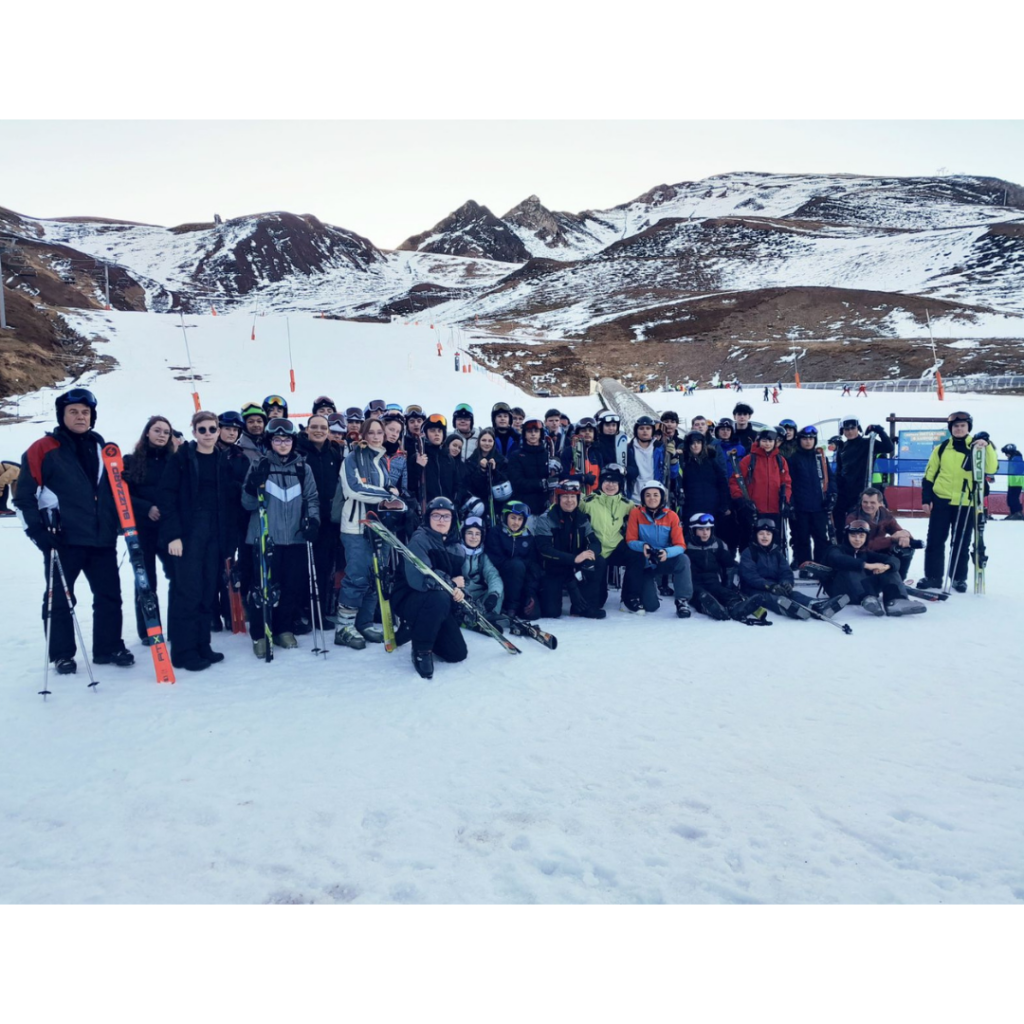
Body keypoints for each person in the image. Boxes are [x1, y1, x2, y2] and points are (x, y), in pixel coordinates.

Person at [14, 387, 135, 674]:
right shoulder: (43, 449)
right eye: (74, 412)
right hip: (63, 539)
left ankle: (108, 647)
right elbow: (23, 497)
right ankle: (62, 654)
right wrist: (37, 532)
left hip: (101, 538)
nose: (81, 417)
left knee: (109, 596)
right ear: (62, 415)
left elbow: (112, 491)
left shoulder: (102, 446)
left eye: (85, 412)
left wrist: (118, 522)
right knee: (60, 599)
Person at [158, 411, 237, 671]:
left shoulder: (222, 460)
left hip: (213, 535)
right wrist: (173, 536)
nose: (207, 434)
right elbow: (167, 498)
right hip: (188, 536)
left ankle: (203, 644)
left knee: (206, 593)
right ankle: (183, 652)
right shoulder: (181, 459)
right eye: (201, 430)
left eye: (211, 429)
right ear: (193, 432)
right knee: (187, 593)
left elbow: (228, 500)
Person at [240, 418, 319, 655]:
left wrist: (313, 521)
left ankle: (284, 629)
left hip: (294, 538)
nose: (282, 444)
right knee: (262, 587)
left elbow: (312, 498)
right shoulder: (259, 466)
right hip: (266, 537)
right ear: (270, 441)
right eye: (277, 439)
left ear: (293, 441)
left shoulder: (303, 468)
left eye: (286, 439)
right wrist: (252, 488)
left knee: (291, 586)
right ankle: (260, 634)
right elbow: (247, 504)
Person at [332, 417, 398, 649]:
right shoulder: (352, 458)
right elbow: (354, 489)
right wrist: (387, 494)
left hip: (378, 526)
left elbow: (386, 487)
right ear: (363, 434)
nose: (377, 436)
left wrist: (391, 490)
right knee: (358, 575)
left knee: (374, 576)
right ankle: (344, 626)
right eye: (371, 432)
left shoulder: (381, 459)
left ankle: (364, 622)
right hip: (355, 525)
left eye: (380, 432)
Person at [390, 496, 469, 679]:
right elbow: (421, 579)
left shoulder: (457, 547)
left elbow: (463, 579)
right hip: (410, 598)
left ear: (453, 519)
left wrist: (460, 591)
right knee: (439, 596)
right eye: (436, 515)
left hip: (438, 605)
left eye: (446, 516)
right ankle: (421, 650)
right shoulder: (420, 540)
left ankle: (418, 629)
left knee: (457, 653)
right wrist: (452, 584)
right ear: (428, 518)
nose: (441, 520)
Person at [918, 411, 997, 591]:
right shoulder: (942, 448)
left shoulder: (978, 446)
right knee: (935, 540)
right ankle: (933, 576)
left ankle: (958, 578)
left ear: (968, 427)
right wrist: (926, 498)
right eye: (955, 426)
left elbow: (991, 467)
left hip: (967, 501)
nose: (959, 429)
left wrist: (988, 445)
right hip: (942, 500)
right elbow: (929, 475)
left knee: (961, 541)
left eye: (963, 426)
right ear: (950, 429)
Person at [122, 415, 176, 643]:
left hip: (168, 528)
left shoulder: (175, 461)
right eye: (157, 430)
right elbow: (122, 494)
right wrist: (146, 508)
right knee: (145, 580)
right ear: (147, 432)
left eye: (166, 432)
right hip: (141, 529)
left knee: (178, 575)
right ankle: (148, 629)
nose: (162, 435)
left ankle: (177, 625)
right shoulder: (131, 461)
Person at [532, 479, 606, 619]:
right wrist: (574, 559)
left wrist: (590, 553)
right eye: (565, 496)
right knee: (551, 612)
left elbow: (595, 542)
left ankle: (586, 605)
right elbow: (544, 549)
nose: (569, 500)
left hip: (576, 566)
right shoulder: (546, 518)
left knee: (598, 561)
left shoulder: (582, 518)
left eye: (573, 497)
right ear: (557, 498)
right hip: (553, 569)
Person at [823, 521, 924, 616]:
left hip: (865, 592)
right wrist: (868, 565)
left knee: (888, 568)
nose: (857, 539)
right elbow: (838, 559)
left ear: (866, 537)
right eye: (853, 535)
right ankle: (869, 599)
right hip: (840, 592)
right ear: (847, 536)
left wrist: (886, 566)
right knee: (851, 566)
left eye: (861, 536)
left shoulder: (865, 553)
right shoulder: (836, 549)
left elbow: (893, 559)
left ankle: (896, 601)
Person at [298, 413, 344, 624]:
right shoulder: (299, 452)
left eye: (323, 428)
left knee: (324, 565)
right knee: (301, 566)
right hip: (304, 516)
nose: (319, 431)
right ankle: (300, 609)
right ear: (307, 429)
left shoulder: (333, 453)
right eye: (314, 427)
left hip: (328, 518)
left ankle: (318, 611)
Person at [623, 481, 693, 617]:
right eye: (648, 495)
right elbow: (630, 540)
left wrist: (667, 552)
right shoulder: (636, 514)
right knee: (651, 606)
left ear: (662, 497)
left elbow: (681, 545)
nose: (652, 498)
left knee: (683, 560)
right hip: (645, 562)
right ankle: (651, 587)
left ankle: (682, 600)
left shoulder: (672, 515)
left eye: (656, 495)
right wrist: (643, 546)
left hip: (663, 558)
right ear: (643, 498)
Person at [685, 513, 770, 622]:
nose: (705, 533)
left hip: (712, 582)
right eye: (701, 530)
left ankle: (736, 606)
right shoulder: (684, 545)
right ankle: (710, 607)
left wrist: (728, 584)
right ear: (693, 530)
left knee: (723, 593)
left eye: (708, 529)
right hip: (692, 583)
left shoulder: (718, 544)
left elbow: (729, 565)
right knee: (700, 595)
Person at [738, 519, 819, 620]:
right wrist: (769, 586)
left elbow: (785, 571)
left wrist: (786, 583)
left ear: (772, 536)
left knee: (792, 594)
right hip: (753, 589)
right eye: (761, 533)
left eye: (768, 534)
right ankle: (789, 608)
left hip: (775, 585)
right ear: (756, 535)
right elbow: (750, 575)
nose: (765, 536)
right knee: (769, 597)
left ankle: (815, 605)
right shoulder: (749, 552)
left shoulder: (777, 553)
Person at [581, 463, 635, 609]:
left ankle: (629, 598)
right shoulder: (588, 502)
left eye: (614, 482)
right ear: (601, 483)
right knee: (598, 601)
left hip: (616, 547)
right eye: (607, 481)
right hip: (596, 550)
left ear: (620, 484)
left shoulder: (627, 504)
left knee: (636, 556)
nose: (610, 485)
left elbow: (642, 517)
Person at [728, 429, 792, 542]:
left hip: (775, 509)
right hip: (754, 509)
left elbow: (786, 482)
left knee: (774, 541)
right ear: (758, 441)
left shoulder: (780, 460)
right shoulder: (749, 460)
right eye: (764, 440)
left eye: (770, 441)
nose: (767, 444)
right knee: (751, 540)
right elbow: (735, 480)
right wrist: (741, 499)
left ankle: (776, 559)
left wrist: (785, 500)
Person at [832, 418, 893, 533]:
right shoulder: (843, 448)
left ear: (858, 429)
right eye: (846, 429)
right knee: (839, 518)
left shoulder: (868, 443)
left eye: (852, 428)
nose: (850, 431)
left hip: (862, 490)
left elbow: (889, 448)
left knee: (860, 521)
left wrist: (880, 431)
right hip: (845, 491)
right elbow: (839, 471)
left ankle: (864, 545)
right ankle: (841, 544)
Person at [788, 425, 836, 570]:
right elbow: (789, 482)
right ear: (799, 440)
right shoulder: (794, 459)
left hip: (819, 506)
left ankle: (820, 565)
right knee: (802, 538)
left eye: (811, 439)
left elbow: (830, 478)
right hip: (801, 507)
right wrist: (791, 503)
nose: (808, 442)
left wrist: (832, 495)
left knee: (821, 538)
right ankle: (805, 565)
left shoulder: (820, 458)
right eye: (804, 439)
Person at [485, 499, 542, 620]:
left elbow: (534, 567)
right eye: (513, 518)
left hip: (521, 583)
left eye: (520, 519)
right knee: (516, 565)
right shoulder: (495, 533)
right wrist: (521, 563)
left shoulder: (529, 538)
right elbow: (496, 560)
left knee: (533, 614)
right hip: (501, 579)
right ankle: (511, 607)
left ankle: (519, 606)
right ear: (505, 517)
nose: (516, 522)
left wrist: (530, 593)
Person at [847, 487, 919, 581]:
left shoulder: (884, 514)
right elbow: (863, 545)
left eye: (872, 502)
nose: (868, 505)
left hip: (880, 549)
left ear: (880, 504)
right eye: (865, 502)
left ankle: (899, 580)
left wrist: (905, 535)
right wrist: (891, 539)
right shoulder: (853, 518)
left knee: (905, 549)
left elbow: (898, 531)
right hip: (861, 552)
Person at [457, 516, 507, 631]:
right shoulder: (456, 552)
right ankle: (468, 620)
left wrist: (493, 595)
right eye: (470, 533)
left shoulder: (483, 556)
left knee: (498, 591)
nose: (474, 537)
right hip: (461, 596)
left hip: (478, 596)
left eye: (477, 534)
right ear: (463, 534)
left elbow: (493, 575)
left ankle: (488, 618)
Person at [678, 431, 730, 530]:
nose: (695, 446)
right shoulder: (683, 462)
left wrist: (725, 505)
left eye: (698, 442)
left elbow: (722, 483)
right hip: (691, 507)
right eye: (692, 443)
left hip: (712, 506)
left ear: (703, 444)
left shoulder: (711, 461)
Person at [464, 426, 511, 523]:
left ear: (493, 443)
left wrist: (494, 471)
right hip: (479, 506)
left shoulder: (501, 461)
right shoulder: (471, 461)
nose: (487, 443)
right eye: (484, 440)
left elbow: (505, 481)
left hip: (497, 506)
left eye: (490, 441)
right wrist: (481, 470)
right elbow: (470, 485)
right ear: (478, 442)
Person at [507, 419, 551, 517]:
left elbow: (555, 479)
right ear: (524, 434)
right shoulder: (517, 455)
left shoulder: (548, 454)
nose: (533, 434)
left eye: (536, 431)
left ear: (541, 434)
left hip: (546, 505)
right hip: (525, 506)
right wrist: (541, 484)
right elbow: (517, 482)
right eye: (529, 431)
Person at [625, 416, 663, 500]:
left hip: (654, 499)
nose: (645, 431)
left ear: (652, 430)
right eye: (641, 428)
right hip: (634, 497)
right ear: (636, 431)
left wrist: (674, 458)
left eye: (648, 428)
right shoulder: (628, 448)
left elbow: (670, 473)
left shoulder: (660, 448)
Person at [563, 417, 604, 494]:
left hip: (594, 497)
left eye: (590, 431)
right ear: (578, 433)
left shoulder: (597, 453)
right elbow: (563, 476)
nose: (587, 433)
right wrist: (582, 478)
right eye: (583, 431)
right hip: (574, 497)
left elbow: (601, 476)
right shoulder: (569, 452)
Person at [1001, 443, 1022, 519]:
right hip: (1012, 482)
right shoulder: (1013, 458)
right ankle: (1013, 513)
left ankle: (1017, 513)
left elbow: (1018, 470)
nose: (1006, 455)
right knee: (1010, 498)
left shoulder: (1017, 458)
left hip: (1017, 482)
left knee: (1013, 498)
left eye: (1006, 453)